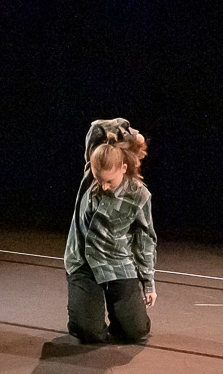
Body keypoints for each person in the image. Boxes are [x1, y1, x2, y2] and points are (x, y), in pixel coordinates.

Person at [64, 119, 155, 343]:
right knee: (88, 332)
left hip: (118, 263)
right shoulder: (90, 179)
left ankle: (122, 313)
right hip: (84, 263)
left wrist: (148, 282)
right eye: (99, 180)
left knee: (134, 332)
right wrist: (127, 133)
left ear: (123, 168)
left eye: (109, 181)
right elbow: (97, 127)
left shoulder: (139, 195)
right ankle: (85, 313)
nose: (103, 186)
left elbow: (145, 241)